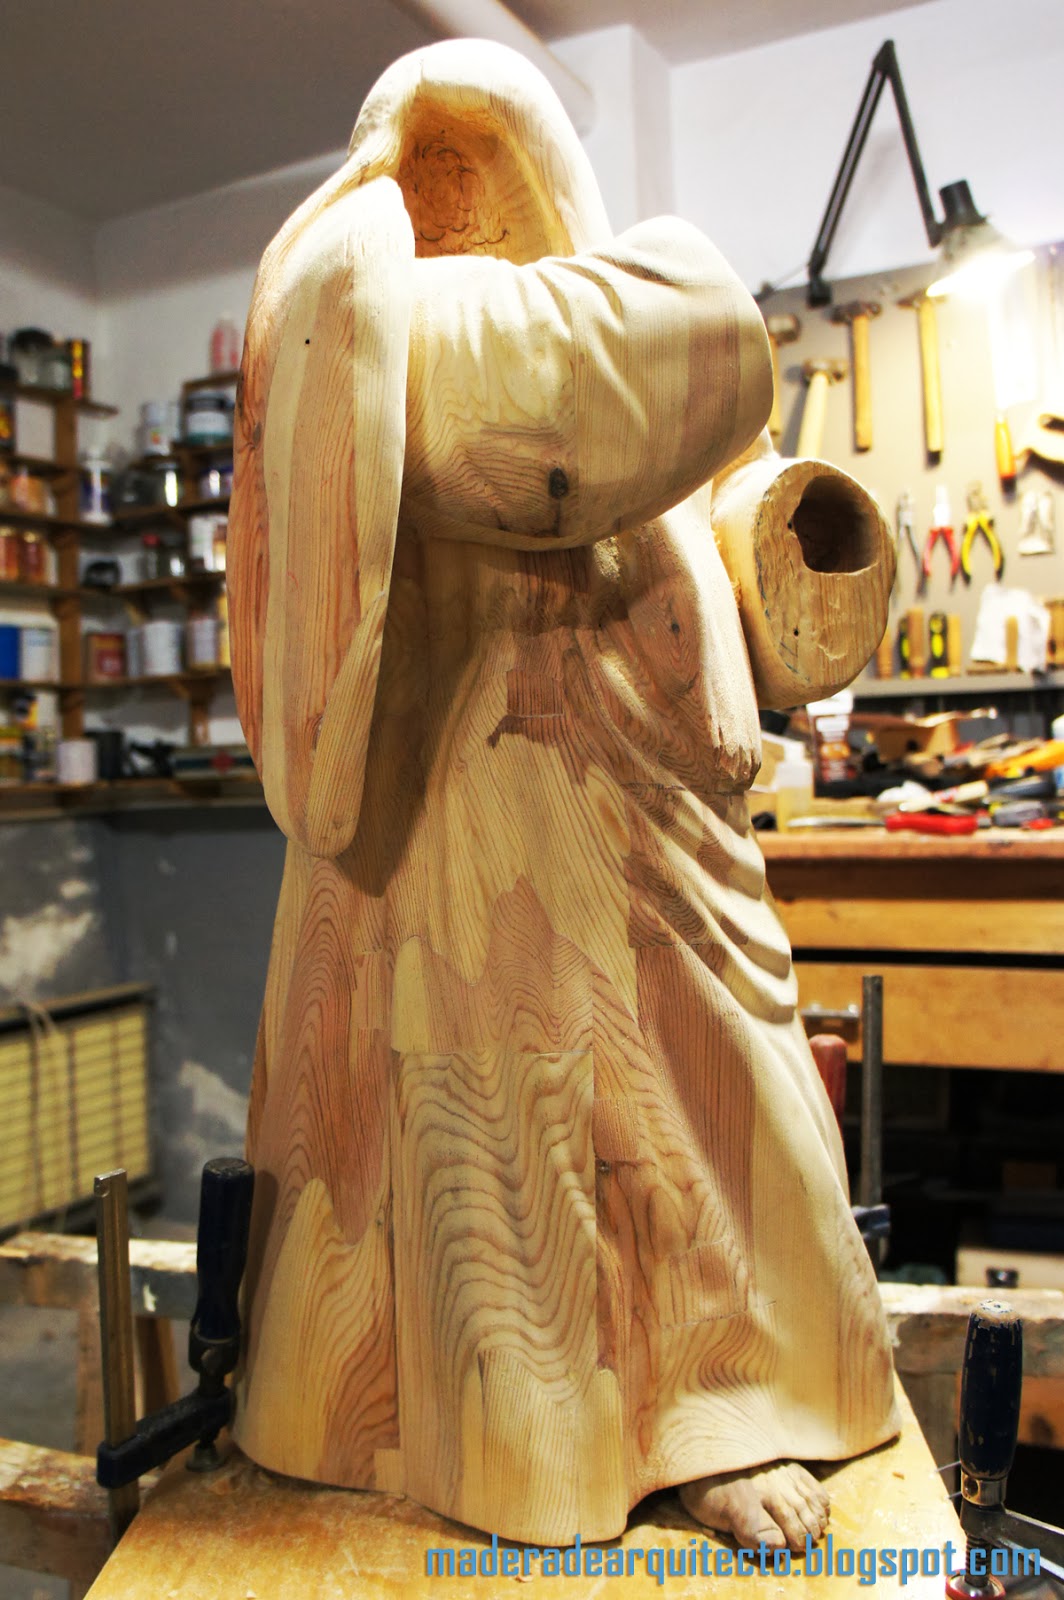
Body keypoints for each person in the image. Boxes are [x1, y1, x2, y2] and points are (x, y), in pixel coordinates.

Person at [228, 38, 898, 1552]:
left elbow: (708, 484)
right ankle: (566, 1441)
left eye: (489, 166)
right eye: (442, 168)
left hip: (652, 855)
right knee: (519, 1191)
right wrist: (702, 311)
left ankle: (717, 1406)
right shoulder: (392, 325)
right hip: (477, 874)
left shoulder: (554, 321)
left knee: (711, 1148)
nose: (466, 202)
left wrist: (788, 536)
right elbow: (594, 409)